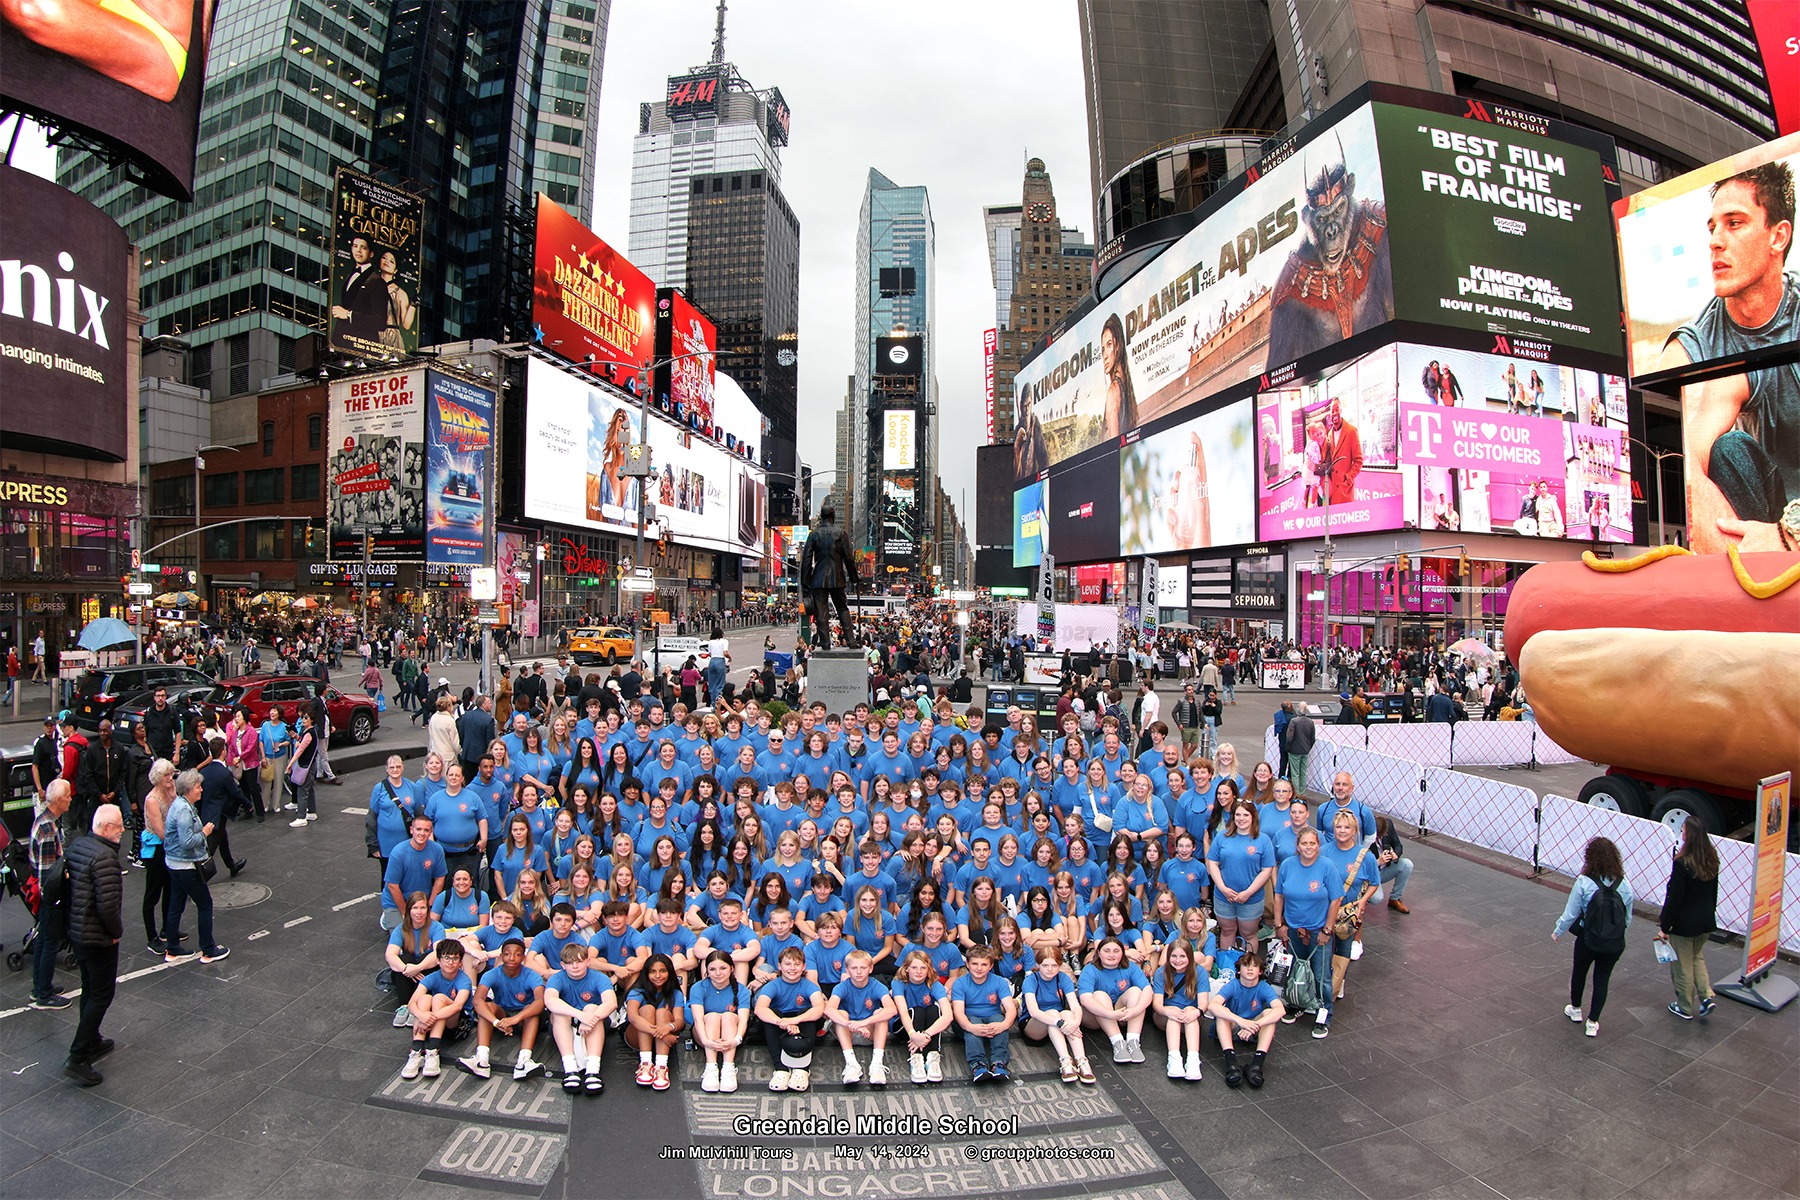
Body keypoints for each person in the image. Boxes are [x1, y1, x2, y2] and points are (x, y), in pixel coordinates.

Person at [1661, 161, 1800, 555]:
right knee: (1727, 449)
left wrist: (1787, 537)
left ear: (1778, 236)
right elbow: (1694, 448)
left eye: (1734, 223)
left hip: (1790, 531)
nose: (1715, 241)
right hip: (1768, 517)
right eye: (1712, 227)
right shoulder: (1695, 346)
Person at [62, 803, 125, 1086]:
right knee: (101, 994)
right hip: (98, 937)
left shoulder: (79, 845)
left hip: (78, 932)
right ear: (107, 828)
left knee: (89, 989)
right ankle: (77, 1056)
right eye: (120, 825)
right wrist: (116, 932)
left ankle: (92, 1040)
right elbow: (108, 906)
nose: (123, 830)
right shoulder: (106, 858)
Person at [1553, 835, 1633, 1037]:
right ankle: (1593, 1022)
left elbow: (1571, 913)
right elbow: (1627, 918)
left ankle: (1576, 1008)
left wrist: (1558, 931)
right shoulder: (1624, 885)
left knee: (1580, 971)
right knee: (1602, 979)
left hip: (1588, 939)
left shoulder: (1584, 882)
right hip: (1613, 943)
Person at [163, 769, 229, 965]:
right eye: (198, 786)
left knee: (176, 905)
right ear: (189, 789)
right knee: (205, 904)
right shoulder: (184, 810)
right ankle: (208, 950)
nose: (201, 789)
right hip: (186, 866)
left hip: (174, 864)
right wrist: (204, 832)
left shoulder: (180, 805)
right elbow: (187, 841)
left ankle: (172, 948)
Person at [459, 938, 547, 1080]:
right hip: (502, 1017)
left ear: (523, 957)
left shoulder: (532, 975)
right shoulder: (492, 974)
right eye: (507, 954)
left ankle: (523, 1061)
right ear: (501, 956)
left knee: (532, 1009)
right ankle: (482, 1060)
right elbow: (477, 1000)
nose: (511, 958)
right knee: (487, 1006)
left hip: (523, 1019)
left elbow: (540, 1002)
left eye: (517, 954)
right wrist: (496, 1022)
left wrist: (514, 1019)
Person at [1659, 817, 1719, 1021]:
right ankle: (1706, 996)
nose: (1681, 832)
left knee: (1682, 965)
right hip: (1705, 921)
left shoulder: (1683, 863)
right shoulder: (1711, 859)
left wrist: (1665, 926)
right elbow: (1714, 893)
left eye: (1683, 829)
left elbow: (1674, 899)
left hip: (1684, 924)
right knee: (1697, 958)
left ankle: (1684, 1006)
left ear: (1689, 835)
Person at [544, 941, 618, 1094]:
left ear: (588, 962)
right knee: (560, 1012)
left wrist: (590, 1019)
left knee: (592, 1007)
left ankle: (593, 1070)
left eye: (579, 962)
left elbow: (611, 1003)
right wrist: (580, 1016)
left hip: (594, 1023)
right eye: (570, 963)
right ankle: (570, 1068)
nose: (575, 967)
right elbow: (550, 1001)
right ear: (563, 965)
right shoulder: (557, 978)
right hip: (566, 1024)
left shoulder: (599, 978)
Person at [27, 778, 74, 1010]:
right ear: (58, 800)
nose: (70, 799)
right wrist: (56, 900)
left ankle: (39, 986)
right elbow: (48, 874)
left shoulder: (47, 821)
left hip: (48, 896)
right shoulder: (48, 829)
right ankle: (44, 993)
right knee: (49, 943)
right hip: (50, 898)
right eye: (67, 795)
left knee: (45, 941)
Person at [754, 946, 826, 1092]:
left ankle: (803, 1069)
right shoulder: (773, 985)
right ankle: (780, 1069)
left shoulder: (809, 986)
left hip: (801, 1025)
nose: (792, 968)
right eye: (787, 964)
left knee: (809, 1014)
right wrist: (782, 1022)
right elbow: (759, 1008)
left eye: (797, 964)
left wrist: (795, 1020)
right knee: (770, 1014)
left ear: (804, 967)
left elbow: (819, 1008)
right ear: (779, 966)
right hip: (779, 1025)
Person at [400, 939, 474, 1082]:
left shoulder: (463, 979)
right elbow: (411, 1003)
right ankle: (416, 1051)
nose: (450, 962)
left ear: (460, 962)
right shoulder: (432, 977)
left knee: (439, 998)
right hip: (434, 1023)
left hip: (457, 1024)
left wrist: (428, 1019)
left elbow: (458, 1005)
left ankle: (433, 1050)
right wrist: (421, 1015)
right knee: (424, 1000)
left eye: (454, 958)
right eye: (446, 957)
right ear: (438, 961)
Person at [1213, 950, 1284, 1088]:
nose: (1250, 969)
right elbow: (1213, 1005)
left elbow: (1280, 1010)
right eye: (1246, 965)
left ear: (1260, 971)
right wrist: (1241, 1022)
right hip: (1234, 1028)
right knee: (1223, 1013)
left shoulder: (1264, 987)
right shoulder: (1233, 984)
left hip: (1253, 1029)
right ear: (1239, 971)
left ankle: (1257, 1064)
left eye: (1254, 966)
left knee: (1270, 1013)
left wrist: (1255, 1025)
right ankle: (1231, 1063)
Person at [825, 948, 894, 1086]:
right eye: (854, 968)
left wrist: (863, 1023)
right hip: (847, 1031)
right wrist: (849, 1024)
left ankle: (877, 1064)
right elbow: (828, 1009)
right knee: (841, 1013)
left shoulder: (877, 985)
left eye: (863, 968)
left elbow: (892, 1009)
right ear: (847, 969)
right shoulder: (842, 987)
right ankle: (851, 1064)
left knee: (880, 1013)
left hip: (869, 1032)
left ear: (870, 968)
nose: (858, 972)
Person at [951, 945, 1018, 1084]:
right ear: (967, 964)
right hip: (967, 1022)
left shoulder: (999, 981)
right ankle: (978, 1064)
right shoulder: (960, 983)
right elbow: (958, 1012)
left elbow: (1011, 1009)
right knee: (973, 1023)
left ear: (991, 966)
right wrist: (970, 1027)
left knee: (999, 1019)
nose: (979, 968)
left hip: (991, 1020)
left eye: (984, 964)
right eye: (974, 964)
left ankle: (999, 1063)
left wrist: (1004, 1025)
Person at [798, 504, 859, 650]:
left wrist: (805, 583)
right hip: (837, 578)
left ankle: (825, 643)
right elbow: (848, 558)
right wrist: (854, 577)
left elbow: (806, 560)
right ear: (833, 516)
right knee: (842, 608)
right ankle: (851, 641)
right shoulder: (840, 533)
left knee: (821, 611)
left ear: (821, 517)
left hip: (818, 579)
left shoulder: (814, 534)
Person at [1098, 312, 1138, 440]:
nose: (1105, 356)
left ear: (1118, 346)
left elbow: (1114, 449)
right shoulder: (1125, 387)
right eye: (1103, 349)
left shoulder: (1113, 391)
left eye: (1109, 345)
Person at [1373, 814, 1413, 915]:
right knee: (1376, 899)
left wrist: (1395, 854)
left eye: (1384, 835)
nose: (1382, 837)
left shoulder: (1388, 824)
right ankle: (1361, 899)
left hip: (1385, 868)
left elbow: (1398, 845)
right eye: (1380, 836)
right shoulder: (1363, 834)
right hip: (1371, 873)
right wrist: (1377, 862)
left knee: (1407, 864)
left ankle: (1395, 898)